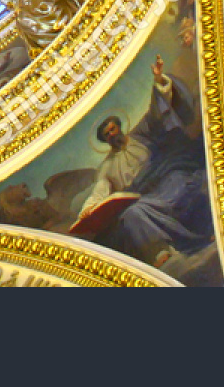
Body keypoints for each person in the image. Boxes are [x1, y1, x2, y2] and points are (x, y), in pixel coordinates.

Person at [72, 56, 214, 267]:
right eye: (107, 134)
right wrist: (88, 210)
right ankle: (162, 252)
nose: (112, 134)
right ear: (105, 140)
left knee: (179, 187)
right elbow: (100, 191)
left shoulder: (141, 133)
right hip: (144, 196)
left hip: (168, 177)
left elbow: (157, 111)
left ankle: (201, 233)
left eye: (112, 129)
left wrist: (159, 82)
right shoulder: (108, 166)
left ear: (119, 127)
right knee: (133, 214)